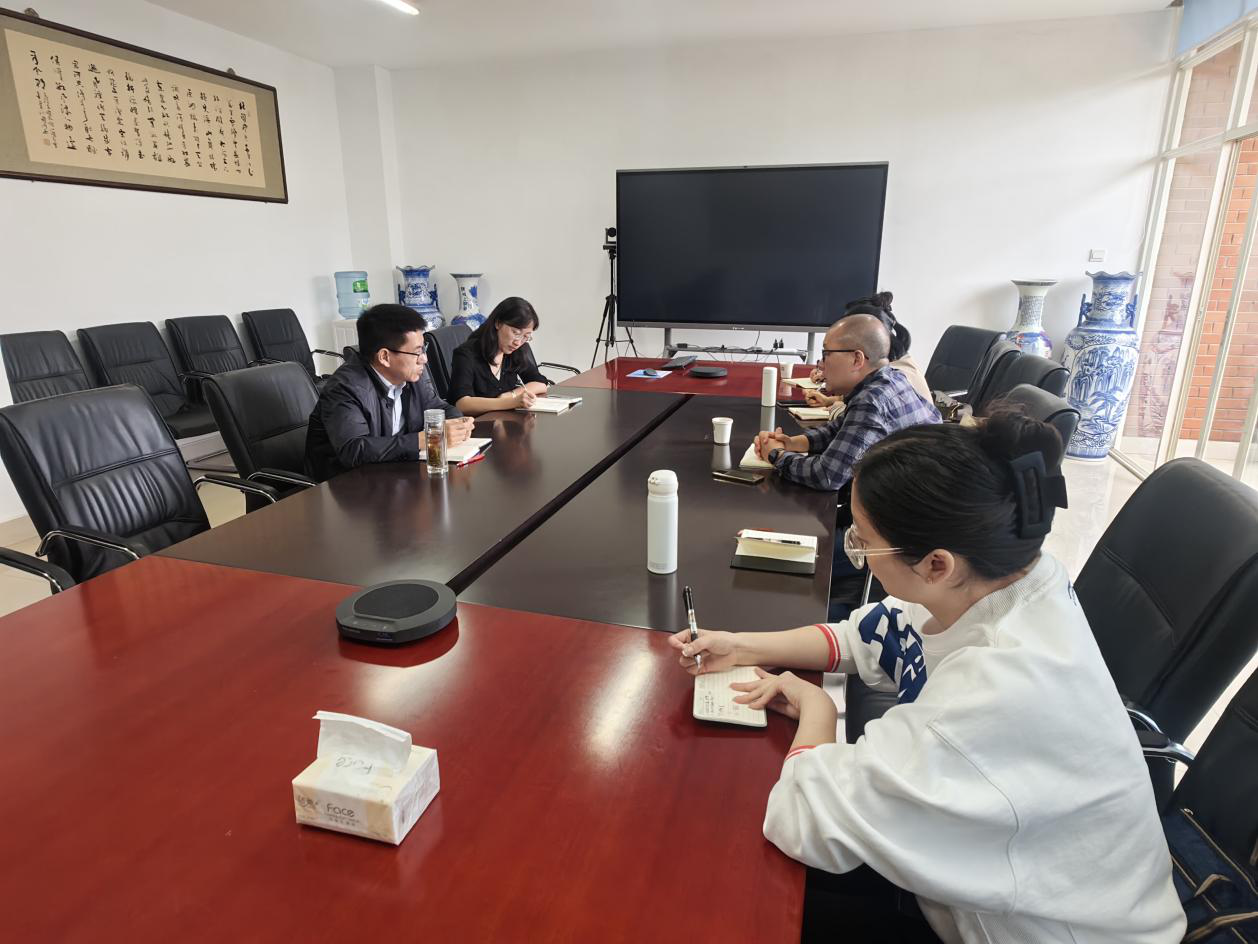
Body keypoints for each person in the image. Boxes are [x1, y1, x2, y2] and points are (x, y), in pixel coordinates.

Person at [670, 414, 1186, 944]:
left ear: (937, 564)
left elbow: (802, 820)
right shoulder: (1004, 577)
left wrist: (819, 711)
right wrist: (742, 645)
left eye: (863, 542)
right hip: (985, 877)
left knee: (716, 886)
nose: (857, 550)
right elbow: (864, 636)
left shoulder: (991, 692)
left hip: (1033, 932)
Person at [755, 314, 940, 492]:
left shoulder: (872, 400)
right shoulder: (892, 377)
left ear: (857, 359)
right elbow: (840, 429)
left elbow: (826, 476)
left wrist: (776, 454)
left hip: (908, 504)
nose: (820, 365)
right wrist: (792, 443)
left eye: (826, 354)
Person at [304, 303, 473, 481]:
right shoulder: (345, 388)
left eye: (424, 348)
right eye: (417, 352)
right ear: (384, 357)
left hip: (393, 474)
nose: (424, 359)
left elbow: (438, 407)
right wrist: (424, 439)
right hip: (345, 486)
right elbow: (354, 450)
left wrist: (457, 424)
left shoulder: (411, 374)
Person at [806, 291, 931, 415]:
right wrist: (829, 394)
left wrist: (838, 408)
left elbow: (864, 408)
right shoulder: (890, 366)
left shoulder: (895, 378)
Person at [448, 297, 552, 416]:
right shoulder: (466, 354)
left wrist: (512, 394)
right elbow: (462, 404)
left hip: (505, 421)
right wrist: (509, 402)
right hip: (475, 424)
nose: (518, 342)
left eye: (526, 336)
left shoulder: (516, 350)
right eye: (516, 333)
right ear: (498, 323)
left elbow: (540, 383)